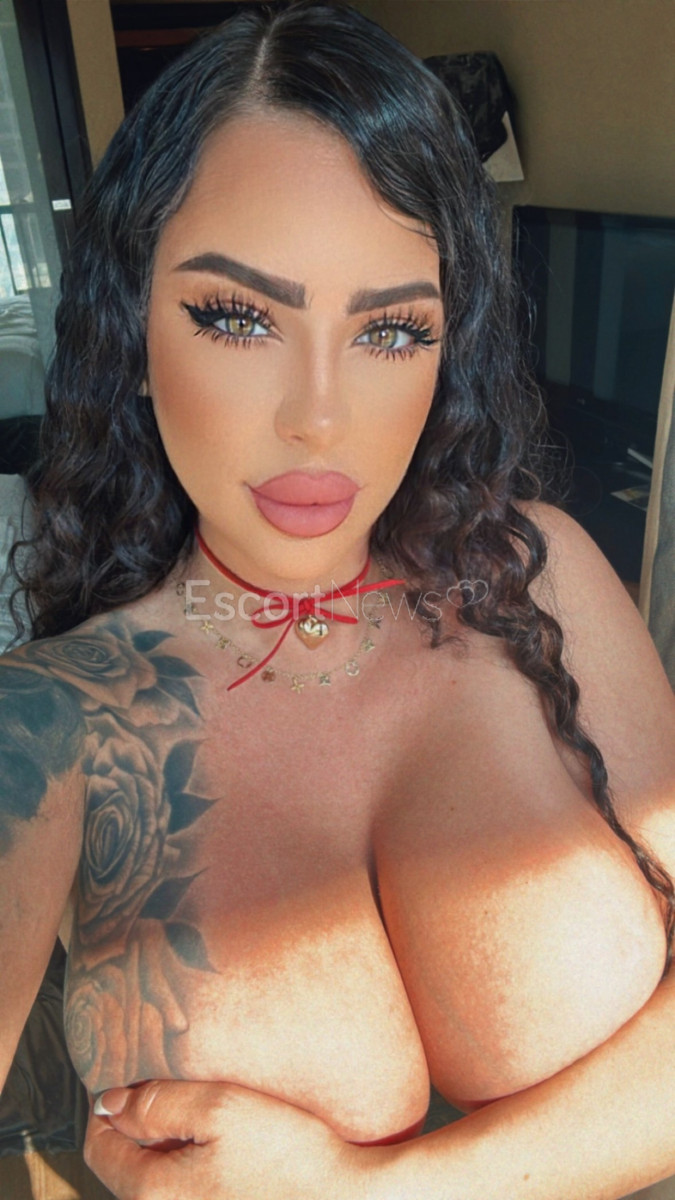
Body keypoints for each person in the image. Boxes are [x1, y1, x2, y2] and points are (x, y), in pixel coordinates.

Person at [1, 2, 674, 1197]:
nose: (319, 417)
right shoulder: (51, 721)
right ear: (131, 334)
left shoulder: (543, 575)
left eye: (391, 330)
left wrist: (379, 1190)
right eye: (237, 317)